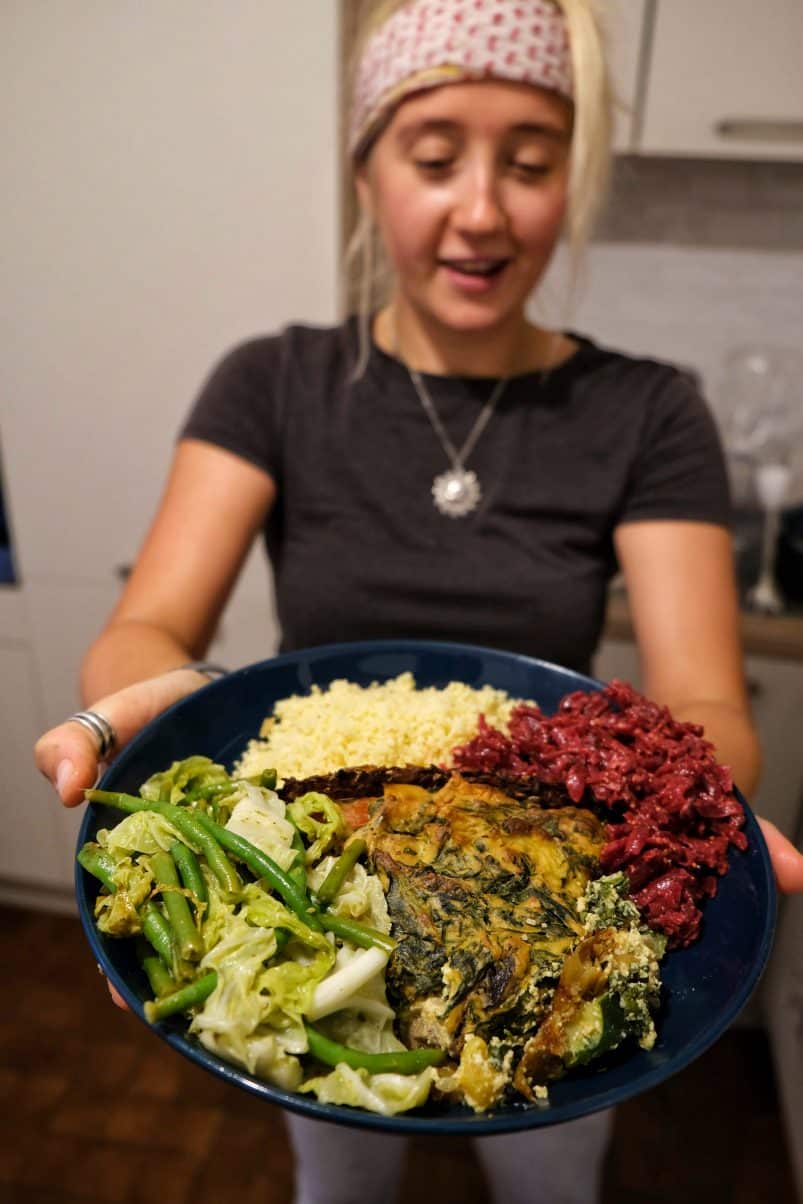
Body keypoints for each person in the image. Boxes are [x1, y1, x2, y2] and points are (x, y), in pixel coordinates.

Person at [35, 1, 803, 1201]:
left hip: (548, 893)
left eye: (532, 162)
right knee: (337, 1179)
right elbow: (146, 628)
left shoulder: (649, 410)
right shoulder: (273, 381)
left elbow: (705, 692)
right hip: (332, 900)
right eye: (435, 156)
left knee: (552, 1178)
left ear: (575, 180)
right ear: (366, 170)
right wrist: (177, 698)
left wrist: (682, 796)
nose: (483, 208)